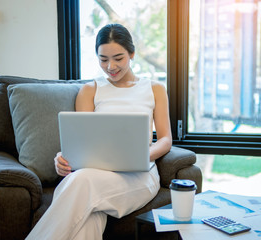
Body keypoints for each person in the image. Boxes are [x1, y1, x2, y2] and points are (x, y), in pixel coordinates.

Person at [26, 23, 172, 240]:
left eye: (118, 58)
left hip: (139, 176)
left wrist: (141, 155)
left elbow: (166, 139)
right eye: (103, 59)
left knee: (81, 183)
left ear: (132, 54)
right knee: (89, 214)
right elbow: (81, 140)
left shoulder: (154, 89)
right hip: (95, 175)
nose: (111, 66)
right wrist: (63, 157)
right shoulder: (90, 90)